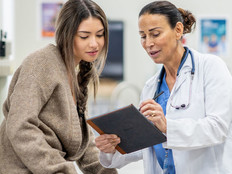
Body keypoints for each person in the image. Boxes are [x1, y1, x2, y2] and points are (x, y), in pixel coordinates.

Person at [95, 1, 232, 174]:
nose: (148, 43)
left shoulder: (210, 67)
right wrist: (112, 147)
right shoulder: (151, 87)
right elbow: (146, 145)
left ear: (178, 30)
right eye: (143, 36)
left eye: (155, 34)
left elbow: (217, 128)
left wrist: (167, 126)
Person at [0, 0, 118, 173]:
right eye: (84, 36)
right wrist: (61, 169)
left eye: (100, 35)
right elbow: (20, 126)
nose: (94, 44)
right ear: (67, 35)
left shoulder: (75, 74)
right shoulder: (41, 63)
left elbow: (84, 144)